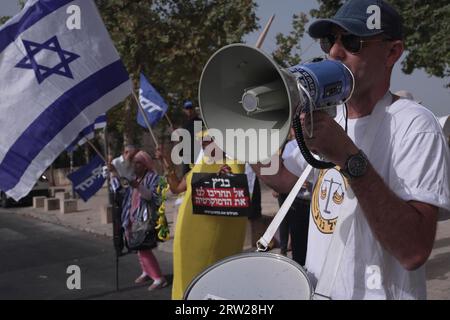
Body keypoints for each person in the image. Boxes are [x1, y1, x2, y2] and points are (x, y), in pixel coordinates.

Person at [252, 0, 450, 299]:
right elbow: (284, 179)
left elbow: (413, 251)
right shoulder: (329, 120)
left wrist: (346, 156)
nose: (334, 52)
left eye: (352, 41)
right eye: (330, 40)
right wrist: (250, 141)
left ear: (392, 52)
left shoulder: (414, 124)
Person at [158, 130, 247, 299]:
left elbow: (235, 186)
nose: (203, 145)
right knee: (185, 276)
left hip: (212, 236)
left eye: (208, 141)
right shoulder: (199, 166)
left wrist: (226, 172)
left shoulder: (232, 162)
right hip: (187, 233)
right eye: (202, 142)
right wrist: (166, 161)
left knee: (207, 280)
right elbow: (176, 188)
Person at [121, 150, 168, 290]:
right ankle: (146, 271)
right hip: (133, 218)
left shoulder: (154, 178)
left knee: (143, 248)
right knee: (137, 247)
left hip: (147, 219)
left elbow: (155, 198)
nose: (135, 166)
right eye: (134, 163)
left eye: (138, 163)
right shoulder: (135, 178)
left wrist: (139, 187)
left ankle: (159, 278)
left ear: (146, 165)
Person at [180, 100, 204, 176]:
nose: (189, 110)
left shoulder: (200, 122)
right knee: (186, 177)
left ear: (194, 109)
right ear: (184, 110)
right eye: (187, 108)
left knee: (197, 176)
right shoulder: (184, 124)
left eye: (191, 108)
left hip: (198, 155)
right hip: (187, 157)